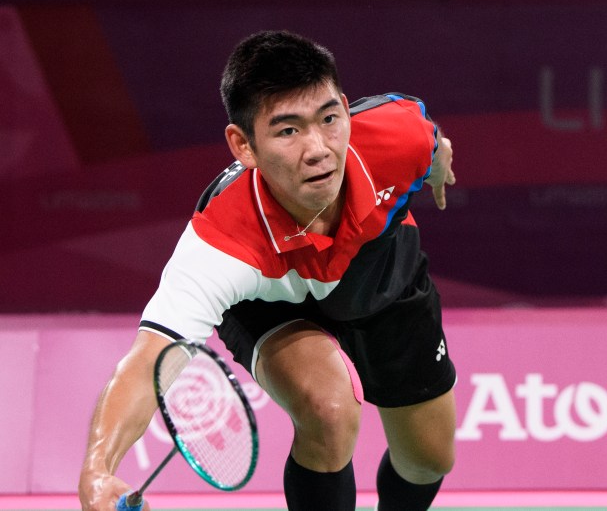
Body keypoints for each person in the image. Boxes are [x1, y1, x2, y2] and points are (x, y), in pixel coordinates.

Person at [78, 30, 458, 511]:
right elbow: (151, 359)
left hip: (382, 274)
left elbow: (431, 142)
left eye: (328, 119)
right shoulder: (222, 240)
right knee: (329, 408)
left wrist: (439, 161)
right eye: (287, 130)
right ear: (244, 146)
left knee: (428, 459)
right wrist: (97, 469)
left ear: (344, 107)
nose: (318, 148)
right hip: (267, 303)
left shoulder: (393, 137)